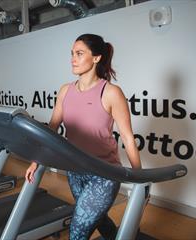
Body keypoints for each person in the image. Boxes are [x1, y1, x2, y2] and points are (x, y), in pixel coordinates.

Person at [25, 34, 142, 240]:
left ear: (96, 58)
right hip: (75, 171)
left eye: (79, 54)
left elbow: (128, 138)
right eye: (72, 54)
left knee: (78, 231)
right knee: (98, 219)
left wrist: (140, 180)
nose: (73, 58)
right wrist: (36, 160)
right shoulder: (65, 90)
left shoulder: (111, 92)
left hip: (104, 174)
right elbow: (52, 128)